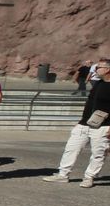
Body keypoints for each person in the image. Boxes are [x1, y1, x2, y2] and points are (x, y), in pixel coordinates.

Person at [43, 58, 109, 188]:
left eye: (98, 67)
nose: (95, 70)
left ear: (107, 69)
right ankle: (63, 174)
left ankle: (89, 177)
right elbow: (89, 104)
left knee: (98, 153)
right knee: (71, 148)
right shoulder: (98, 84)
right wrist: (81, 121)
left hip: (103, 126)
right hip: (84, 124)